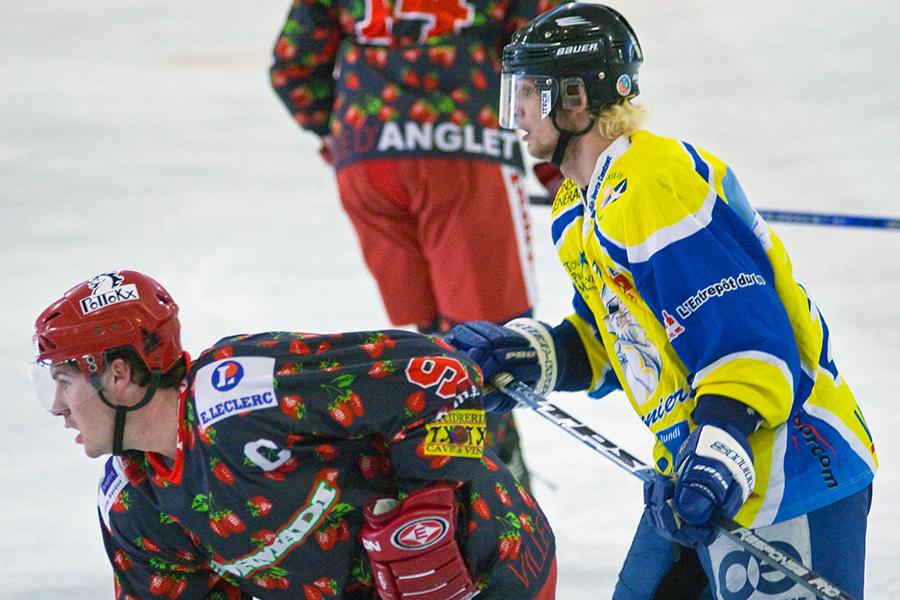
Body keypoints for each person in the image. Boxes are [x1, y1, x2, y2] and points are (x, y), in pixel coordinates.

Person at [444, 3, 878, 599]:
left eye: (526, 92)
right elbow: (624, 340)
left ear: (574, 98)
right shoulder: (579, 205)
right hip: (698, 472)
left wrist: (719, 451)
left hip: (789, 469)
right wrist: (536, 354)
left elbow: (747, 339)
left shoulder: (650, 181)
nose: (513, 113)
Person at [32, 270, 557, 600]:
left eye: (63, 381)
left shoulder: (239, 391)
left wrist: (424, 509)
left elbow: (438, 372)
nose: (57, 407)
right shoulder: (132, 503)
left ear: (118, 375)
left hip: (500, 568)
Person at [269, 0, 563, 495]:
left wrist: (340, 134)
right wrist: (558, 166)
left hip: (368, 160)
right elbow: (549, 51)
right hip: (466, 149)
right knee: (489, 344)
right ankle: (495, 492)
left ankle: (441, 493)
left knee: (429, 348)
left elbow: (293, 67)